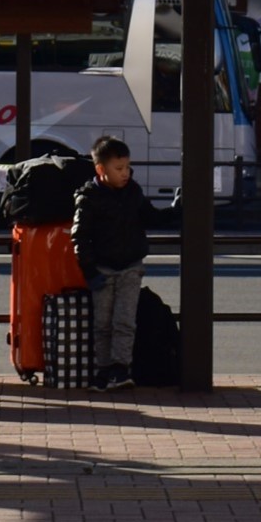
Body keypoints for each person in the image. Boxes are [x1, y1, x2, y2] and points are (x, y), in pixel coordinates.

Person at [70, 135, 151, 390]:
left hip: (130, 266)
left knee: (124, 321)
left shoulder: (133, 191)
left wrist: (176, 210)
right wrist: (89, 270)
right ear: (100, 170)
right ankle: (104, 370)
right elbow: (80, 237)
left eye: (127, 167)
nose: (125, 173)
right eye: (119, 169)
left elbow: (149, 215)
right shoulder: (89, 197)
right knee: (103, 324)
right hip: (102, 269)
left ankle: (119, 368)